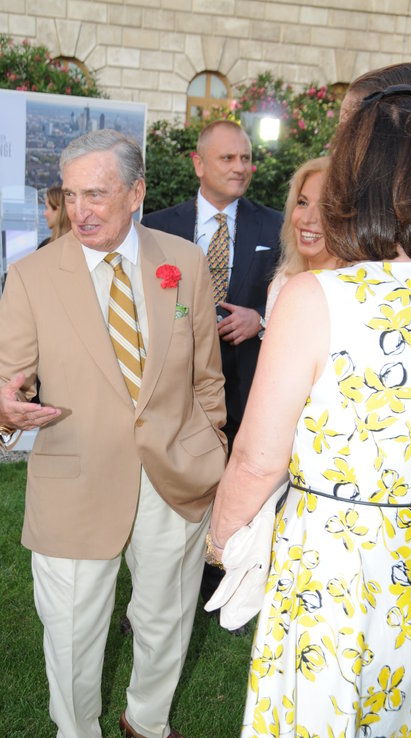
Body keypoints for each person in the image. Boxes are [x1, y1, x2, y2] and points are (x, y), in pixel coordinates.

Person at [209, 77, 411, 738]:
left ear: (356, 181)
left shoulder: (320, 299)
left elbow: (256, 460)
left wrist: (223, 543)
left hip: (335, 575)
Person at [0, 129, 227, 738]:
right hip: (75, 481)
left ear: (136, 193)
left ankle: (147, 718)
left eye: (97, 194)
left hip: (174, 475)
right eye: (70, 195)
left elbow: (207, 377)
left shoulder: (183, 263)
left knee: (167, 613)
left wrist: (211, 447)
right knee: (74, 630)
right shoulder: (33, 276)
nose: (80, 210)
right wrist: (2, 409)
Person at [142, 119, 282, 612]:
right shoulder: (156, 226)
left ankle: (226, 588)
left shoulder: (277, 225)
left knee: (240, 488)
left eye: (246, 158)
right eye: (228, 158)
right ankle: (157, 593)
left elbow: (297, 291)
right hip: (173, 385)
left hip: (247, 384)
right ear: (198, 164)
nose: (241, 167)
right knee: (169, 489)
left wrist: (260, 318)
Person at [265, 156, 337, 321]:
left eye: (325, 207)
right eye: (303, 203)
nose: (307, 218)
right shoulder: (280, 285)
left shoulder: (362, 290)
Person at [38, 184, 71, 249]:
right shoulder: (82, 247)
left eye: (47, 208)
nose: (44, 213)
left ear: (58, 210)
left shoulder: (46, 247)